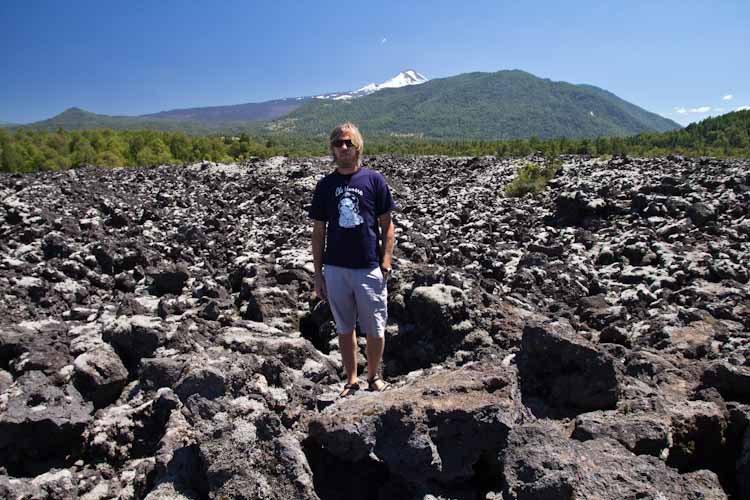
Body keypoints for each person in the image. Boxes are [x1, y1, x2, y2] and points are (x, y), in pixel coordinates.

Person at [309, 122, 396, 397]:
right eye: (338, 143)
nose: (343, 147)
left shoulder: (374, 180)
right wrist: (318, 273)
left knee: (375, 328)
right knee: (345, 328)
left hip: (369, 267)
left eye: (348, 142)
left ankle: (373, 376)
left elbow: (387, 225)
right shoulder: (325, 186)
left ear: (358, 146)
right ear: (332, 149)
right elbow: (318, 232)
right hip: (336, 269)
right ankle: (351, 379)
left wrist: (386, 262)